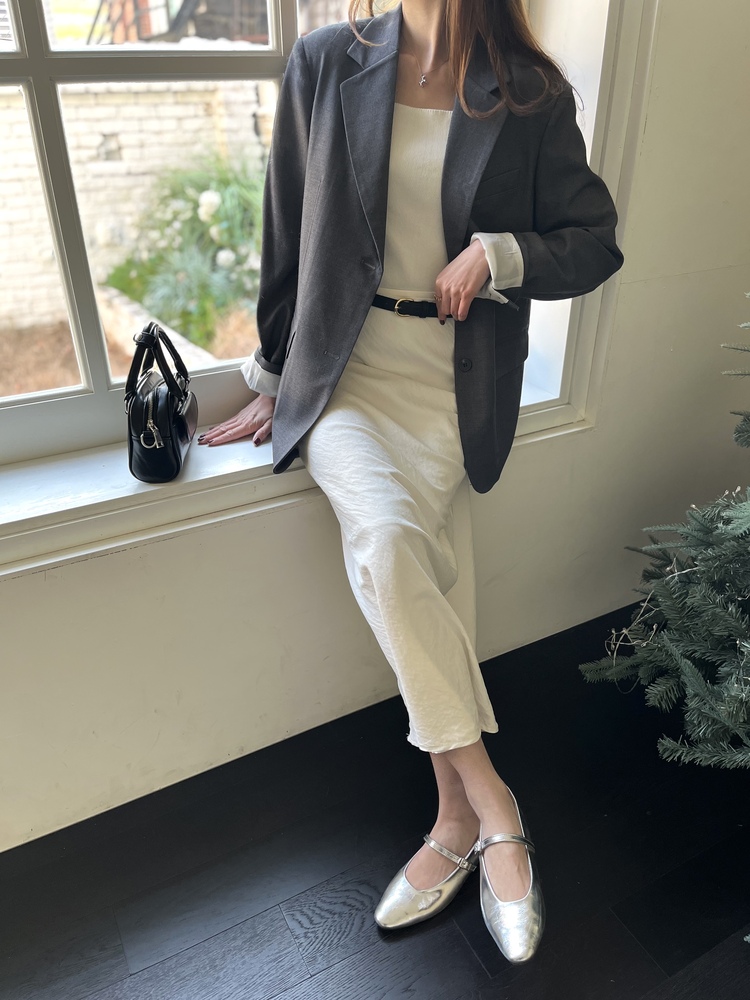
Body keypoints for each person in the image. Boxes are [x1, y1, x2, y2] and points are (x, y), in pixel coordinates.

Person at [198, 0, 623, 963]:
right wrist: (273, 375)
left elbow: (595, 240)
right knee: (390, 544)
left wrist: (500, 253)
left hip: (453, 384)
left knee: (420, 572)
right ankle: (495, 803)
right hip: (348, 379)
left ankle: (451, 821)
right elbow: (286, 227)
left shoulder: (529, 91)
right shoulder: (325, 61)